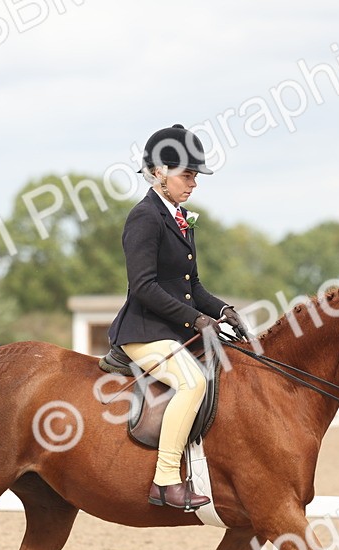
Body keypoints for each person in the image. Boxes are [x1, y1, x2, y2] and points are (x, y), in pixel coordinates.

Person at [107, 124, 250, 511]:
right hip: (144, 332)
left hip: (170, 330)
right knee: (191, 383)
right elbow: (143, 287)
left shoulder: (180, 217)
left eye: (195, 176)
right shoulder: (145, 218)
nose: (193, 183)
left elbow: (192, 285)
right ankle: (166, 481)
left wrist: (222, 310)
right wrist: (196, 320)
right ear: (159, 172)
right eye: (187, 175)